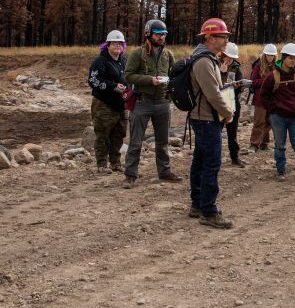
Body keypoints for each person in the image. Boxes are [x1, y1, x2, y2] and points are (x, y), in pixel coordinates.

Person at [187, 18, 236, 229]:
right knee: (211, 164)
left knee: (200, 161)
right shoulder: (204, 62)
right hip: (207, 119)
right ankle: (208, 210)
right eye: (222, 36)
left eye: (226, 37)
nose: (226, 41)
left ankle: (198, 204)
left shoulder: (208, 58)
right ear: (209, 37)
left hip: (205, 118)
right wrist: (228, 112)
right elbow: (213, 95)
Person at [122, 19, 181, 189]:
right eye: (158, 34)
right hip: (142, 102)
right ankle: (130, 175)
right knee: (136, 141)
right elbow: (128, 75)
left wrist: (170, 88)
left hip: (163, 103)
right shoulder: (137, 54)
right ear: (148, 34)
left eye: (163, 35)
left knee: (163, 141)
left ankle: (164, 171)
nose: (161, 37)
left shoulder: (168, 55)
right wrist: (149, 80)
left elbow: (173, 75)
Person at [260, 43, 295, 183]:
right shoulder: (272, 77)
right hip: (278, 117)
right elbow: (263, 95)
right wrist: (273, 109)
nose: (293, 61)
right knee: (280, 145)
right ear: (283, 58)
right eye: (290, 58)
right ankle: (280, 171)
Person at [87, 30, 129, 174]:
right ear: (108, 45)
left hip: (122, 104)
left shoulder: (124, 61)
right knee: (103, 134)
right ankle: (102, 164)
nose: (118, 46)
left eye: (120, 43)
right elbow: (93, 80)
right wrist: (113, 87)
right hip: (103, 104)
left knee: (119, 134)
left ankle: (115, 163)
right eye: (115, 43)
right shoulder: (100, 61)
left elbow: (129, 78)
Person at [219, 42, 246, 168]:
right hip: (218, 103)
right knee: (216, 132)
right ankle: (214, 158)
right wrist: (222, 73)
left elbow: (241, 88)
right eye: (227, 56)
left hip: (232, 102)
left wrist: (237, 86)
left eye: (231, 57)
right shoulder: (214, 65)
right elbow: (213, 86)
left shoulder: (236, 67)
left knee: (232, 132)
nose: (229, 60)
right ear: (223, 54)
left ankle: (235, 157)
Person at [249, 44, 276, 153]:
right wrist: (266, 81)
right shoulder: (258, 66)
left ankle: (264, 144)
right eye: (268, 55)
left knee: (269, 122)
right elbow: (253, 81)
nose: (270, 57)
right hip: (260, 99)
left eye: (272, 55)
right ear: (265, 55)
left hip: (272, 99)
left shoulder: (276, 66)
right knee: (259, 122)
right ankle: (254, 144)